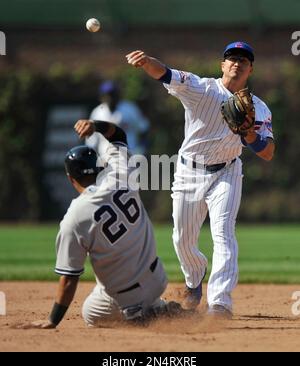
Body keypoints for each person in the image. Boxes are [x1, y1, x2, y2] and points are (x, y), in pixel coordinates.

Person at [126, 42, 275, 318]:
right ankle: (194, 280)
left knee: (223, 234)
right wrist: (147, 61)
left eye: (244, 59)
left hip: (227, 172)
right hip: (189, 171)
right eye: (231, 58)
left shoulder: (259, 108)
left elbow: (268, 152)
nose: (237, 62)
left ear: (250, 69)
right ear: (222, 65)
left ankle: (220, 303)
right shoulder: (201, 88)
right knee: (182, 238)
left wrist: (249, 135)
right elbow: (166, 74)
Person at [25, 120, 183, 329]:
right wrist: (94, 126)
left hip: (127, 298)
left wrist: (52, 320)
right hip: (158, 280)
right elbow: (118, 136)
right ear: (99, 166)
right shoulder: (120, 174)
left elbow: (69, 279)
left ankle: (139, 315)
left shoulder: (75, 216)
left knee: (89, 312)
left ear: (70, 178)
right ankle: (157, 307)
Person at [88, 80, 150, 155]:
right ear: (102, 97)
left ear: (118, 95)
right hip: (105, 158)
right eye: (107, 95)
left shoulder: (129, 109)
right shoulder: (97, 113)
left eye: (113, 94)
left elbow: (144, 128)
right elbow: (92, 140)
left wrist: (141, 149)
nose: (110, 98)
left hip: (129, 155)